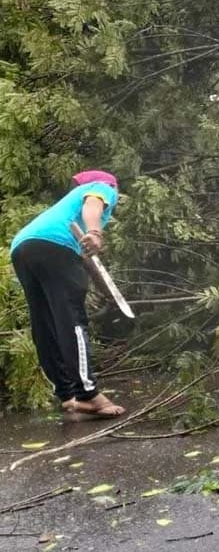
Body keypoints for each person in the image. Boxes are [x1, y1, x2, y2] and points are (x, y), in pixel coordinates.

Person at [9, 170, 126, 419]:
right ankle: (88, 393)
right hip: (53, 246)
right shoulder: (102, 187)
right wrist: (95, 232)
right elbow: (94, 203)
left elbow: (83, 259)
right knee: (72, 320)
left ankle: (67, 395)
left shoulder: (60, 212)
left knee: (45, 322)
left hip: (23, 248)